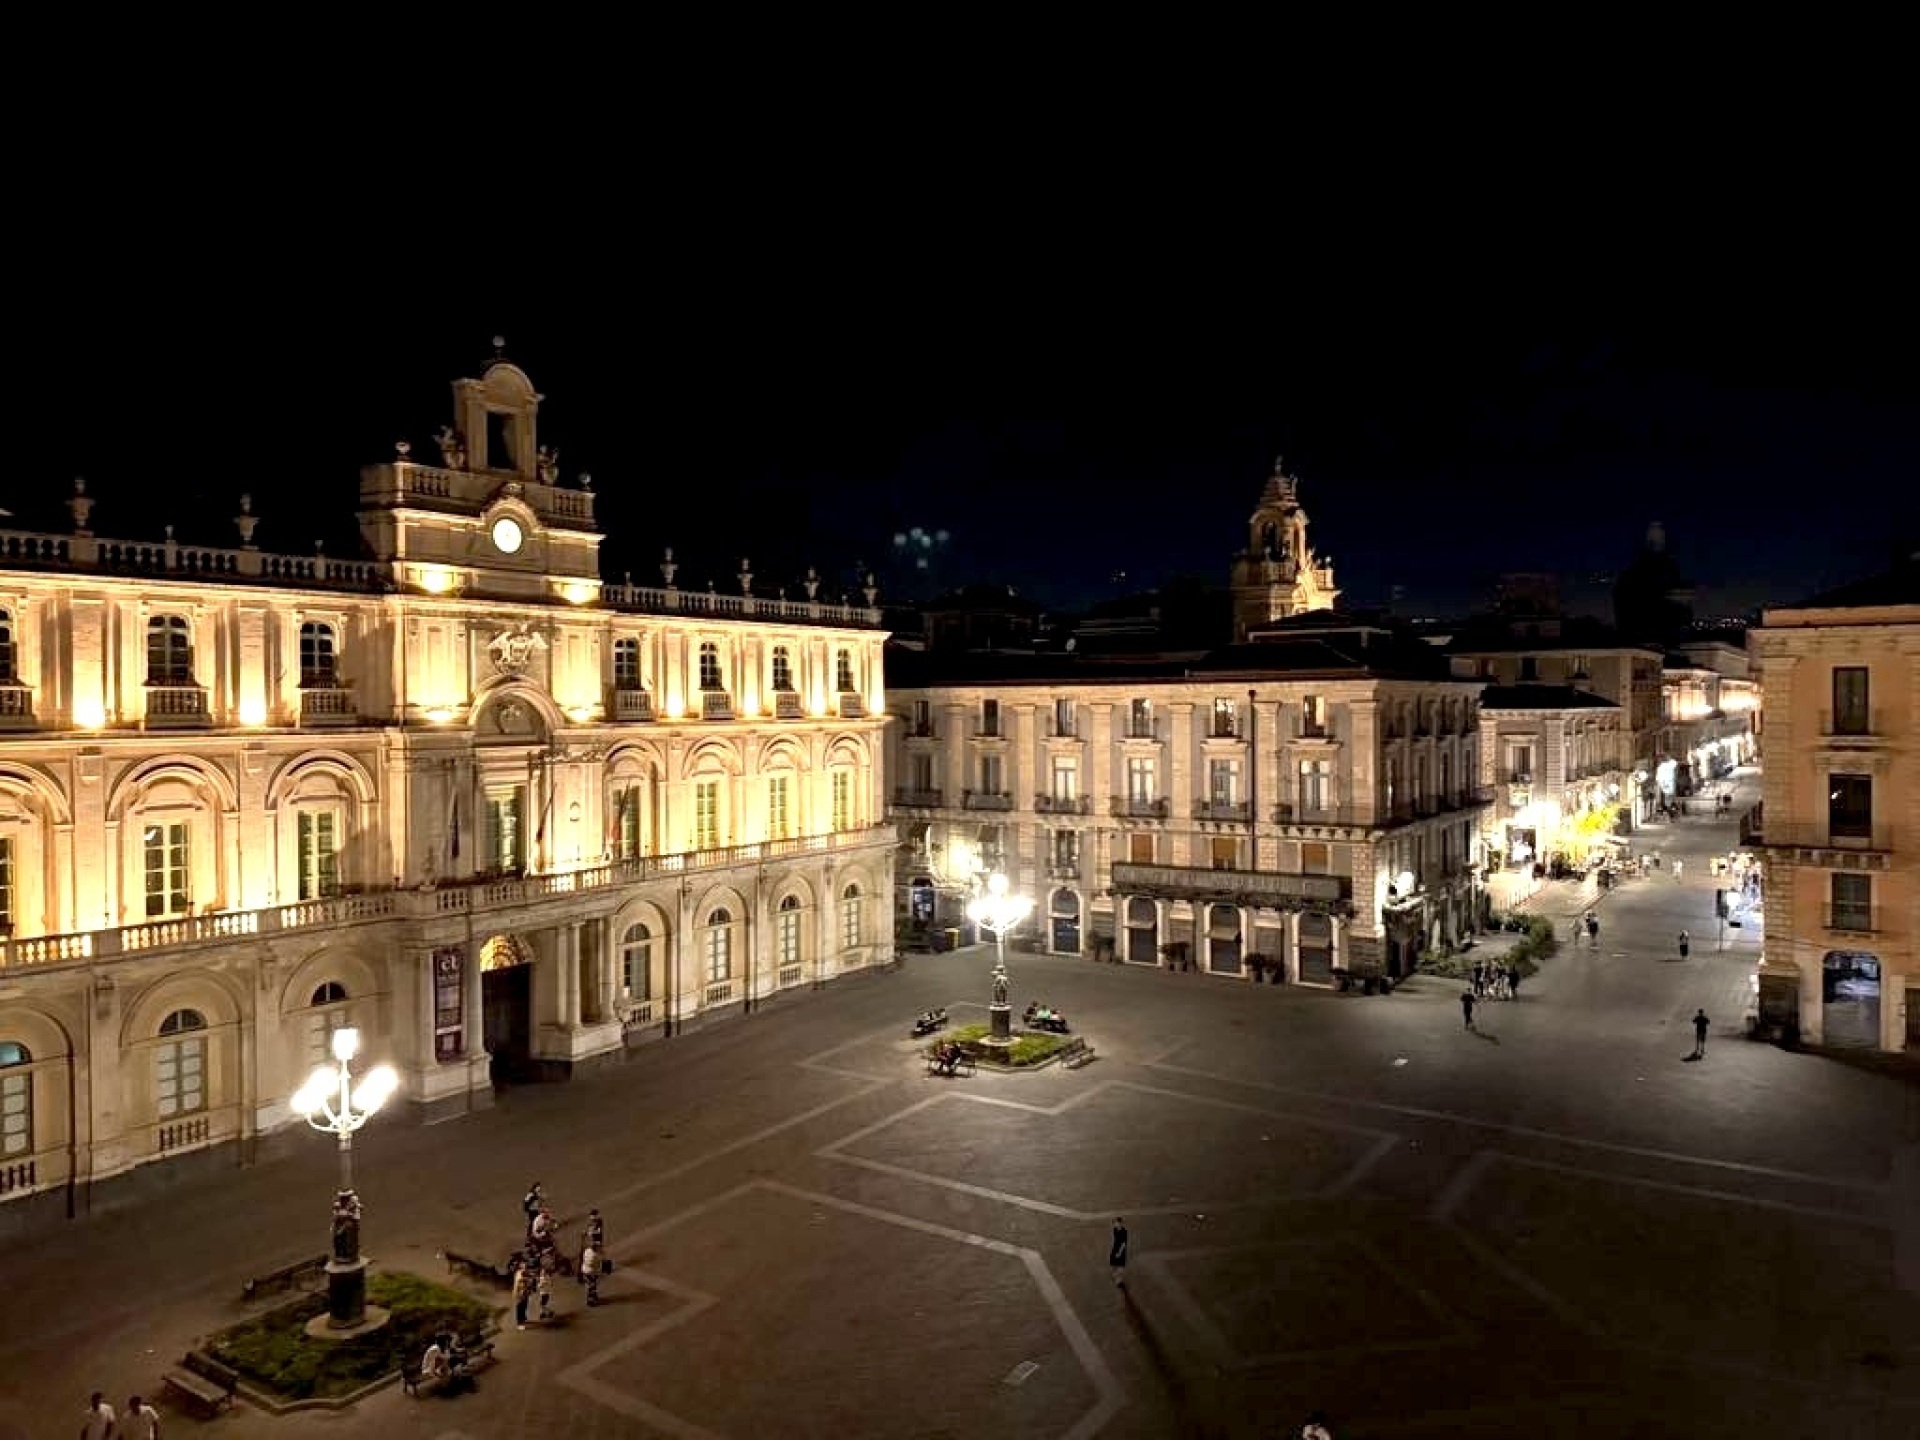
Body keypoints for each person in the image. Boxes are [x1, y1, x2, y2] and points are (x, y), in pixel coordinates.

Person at [1110, 1217, 1129, 1286]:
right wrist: (1113, 1247)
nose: (1115, 1224)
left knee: (1120, 1266)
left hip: (1121, 1250)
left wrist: (1119, 1252)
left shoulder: (1124, 1232)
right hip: (1115, 1249)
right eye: (1114, 1223)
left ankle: (1119, 1279)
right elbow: (1114, 1239)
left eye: (1116, 1223)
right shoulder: (1115, 1229)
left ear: (1120, 1223)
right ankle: (1116, 1276)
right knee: (1113, 1265)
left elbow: (1124, 1244)